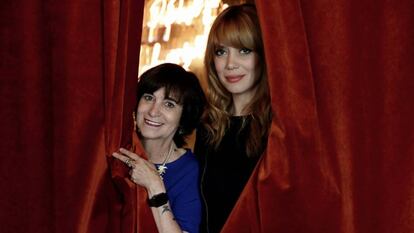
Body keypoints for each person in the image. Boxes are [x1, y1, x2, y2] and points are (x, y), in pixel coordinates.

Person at [194, 3, 272, 233]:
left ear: (264, 55)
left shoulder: (277, 127)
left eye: (244, 50)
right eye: (221, 52)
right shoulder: (208, 126)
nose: (230, 64)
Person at [113, 63, 206, 233]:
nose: (153, 111)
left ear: (183, 118)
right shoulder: (116, 149)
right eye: (149, 97)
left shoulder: (189, 170)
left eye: (169, 104)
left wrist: (155, 185)